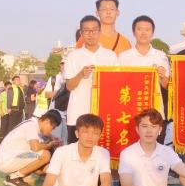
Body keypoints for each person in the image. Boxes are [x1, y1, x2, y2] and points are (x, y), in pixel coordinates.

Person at [24, 113, 117, 186]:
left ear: (99, 135)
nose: (90, 136)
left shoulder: (103, 153)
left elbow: (105, 183)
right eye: (85, 132)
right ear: (77, 133)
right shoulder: (62, 152)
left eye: (95, 133)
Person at [65, 15, 119, 144]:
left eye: (94, 30)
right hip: (78, 113)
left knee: (103, 151)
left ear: (100, 32)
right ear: (81, 33)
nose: (91, 34)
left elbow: (117, 84)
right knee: (76, 152)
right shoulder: (73, 56)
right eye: (87, 31)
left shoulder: (110, 56)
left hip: (104, 114)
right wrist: (80, 75)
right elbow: (69, 86)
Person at [0, 110, 63, 186]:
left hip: (9, 157)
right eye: (52, 128)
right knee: (45, 155)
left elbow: (40, 142)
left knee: (42, 157)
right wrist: (50, 145)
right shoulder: (31, 126)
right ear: (47, 121)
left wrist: (52, 138)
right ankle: (14, 177)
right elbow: (35, 147)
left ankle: (24, 174)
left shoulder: (31, 123)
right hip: (8, 160)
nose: (51, 131)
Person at [119, 15, 171, 116]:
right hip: (129, 108)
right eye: (139, 29)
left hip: (154, 109)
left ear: (152, 33)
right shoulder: (124, 56)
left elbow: (166, 86)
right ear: (133, 32)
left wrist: (162, 76)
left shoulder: (161, 56)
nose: (143, 33)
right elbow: (118, 84)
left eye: (147, 30)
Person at [45, 60, 69, 144]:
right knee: (56, 141)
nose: (64, 66)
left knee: (66, 142)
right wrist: (60, 90)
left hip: (69, 116)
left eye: (66, 64)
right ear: (60, 65)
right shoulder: (54, 78)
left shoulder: (72, 78)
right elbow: (47, 94)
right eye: (62, 64)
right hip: (56, 115)